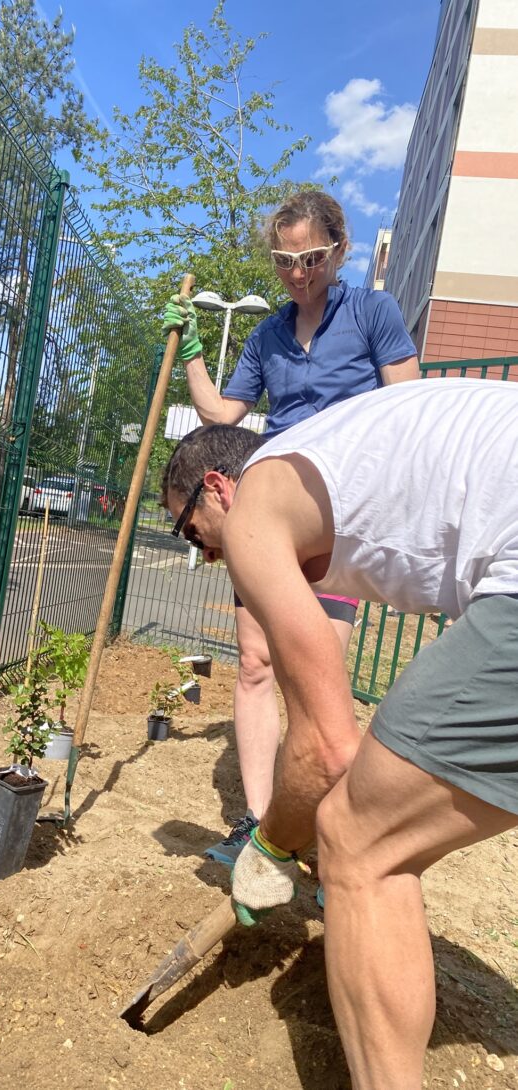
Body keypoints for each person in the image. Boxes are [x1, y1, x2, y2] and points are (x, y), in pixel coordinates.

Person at [160, 378, 518, 1089]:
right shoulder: (335, 474)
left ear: (217, 488)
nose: (205, 557)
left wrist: (268, 845)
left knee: (361, 839)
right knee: (381, 819)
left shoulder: (262, 502)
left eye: (190, 532)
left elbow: (327, 750)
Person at [161, 189, 419, 865]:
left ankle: (329, 838)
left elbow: (409, 405)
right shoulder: (267, 335)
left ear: (339, 249)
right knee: (253, 664)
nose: (297, 273)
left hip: (340, 520)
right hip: (268, 514)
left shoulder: (373, 313)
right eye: (283, 260)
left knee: (317, 680)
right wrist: (191, 348)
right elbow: (223, 413)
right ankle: (255, 820)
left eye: (309, 257)